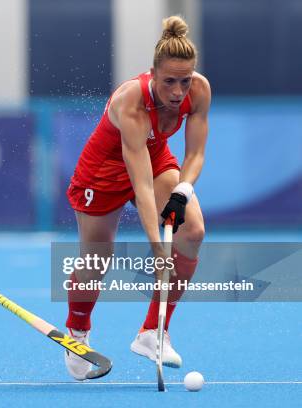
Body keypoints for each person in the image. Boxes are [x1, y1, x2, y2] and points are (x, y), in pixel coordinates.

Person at [64, 15, 210, 380]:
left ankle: (152, 332)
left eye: (185, 80)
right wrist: (157, 247)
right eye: (169, 82)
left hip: (156, 155)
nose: (178, 92)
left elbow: (194, 155)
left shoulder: (199, 91)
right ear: (152, 74)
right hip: (104, 168)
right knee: (97, 259)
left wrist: (182, 191)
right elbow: (141, 184)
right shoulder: (132, 102)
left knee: (191, 232)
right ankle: (77, 334)